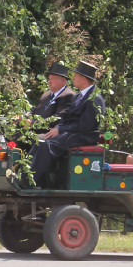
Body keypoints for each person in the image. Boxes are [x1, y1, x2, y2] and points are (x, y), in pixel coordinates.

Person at [26, 59, 106, 187]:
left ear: (84, 79)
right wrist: (56, 129)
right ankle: (28, 175)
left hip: (83, 137)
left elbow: (86, 125)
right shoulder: (78, 96)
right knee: (39, 139)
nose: (73, 78)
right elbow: (65, 119)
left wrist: (61, 130)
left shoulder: (94, 98)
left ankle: (28, 181)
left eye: (76, 76)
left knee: (46, 145)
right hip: (71, 133)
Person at [28, 61, 75, 127]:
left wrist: (33, 124)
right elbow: (34, 112)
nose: (49, 82)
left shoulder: (68, 95)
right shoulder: (46, 95)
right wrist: (22, 118)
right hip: (32, 129)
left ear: (63, 80)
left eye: (52, 79)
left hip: (47, 132)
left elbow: (57, 118)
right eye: (49, 79)